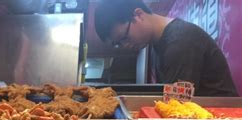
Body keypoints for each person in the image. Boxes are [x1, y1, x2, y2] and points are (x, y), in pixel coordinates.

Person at [94, 0, 238, 97]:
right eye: (118, 44)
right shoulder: (160, 44)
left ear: (138, 15)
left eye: (124, 37)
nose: (125, 46)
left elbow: (179, 105)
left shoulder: (180, 41)